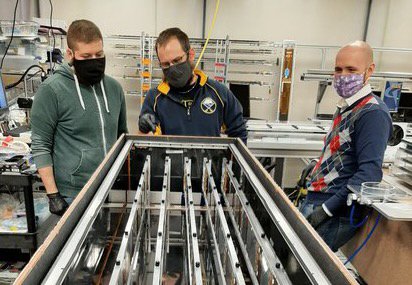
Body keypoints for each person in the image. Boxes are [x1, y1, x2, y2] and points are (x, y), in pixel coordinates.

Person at [300, 41, 392, 251]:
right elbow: (343, 151)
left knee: (302, 269)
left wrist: (327, 209)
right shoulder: (347, 105)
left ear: (369, 70)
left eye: (351, 69)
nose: (343, 76)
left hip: (333, 208)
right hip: (318, 198)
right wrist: (316, 164)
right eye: (338, 69)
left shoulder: (373, 113)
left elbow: (368, 173)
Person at [31, 20, 128, 215]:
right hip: (72, 194)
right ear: (70, 54)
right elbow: (40, 143)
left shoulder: (114, 89)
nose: (94, 60)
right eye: (86, 56)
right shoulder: (52, 90)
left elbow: (122, 135)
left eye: (99, 55)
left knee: (106, 243)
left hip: (109, 187)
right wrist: (53, 194)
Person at [138, 27, 247, 143]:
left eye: (177, 60)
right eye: (165, 64)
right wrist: (143, 129)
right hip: (169, 160)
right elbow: (144, 142)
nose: (172, 68)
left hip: (209, 160)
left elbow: (239, 134)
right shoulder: (154, 98)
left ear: (190, 54)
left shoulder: (219, 93)